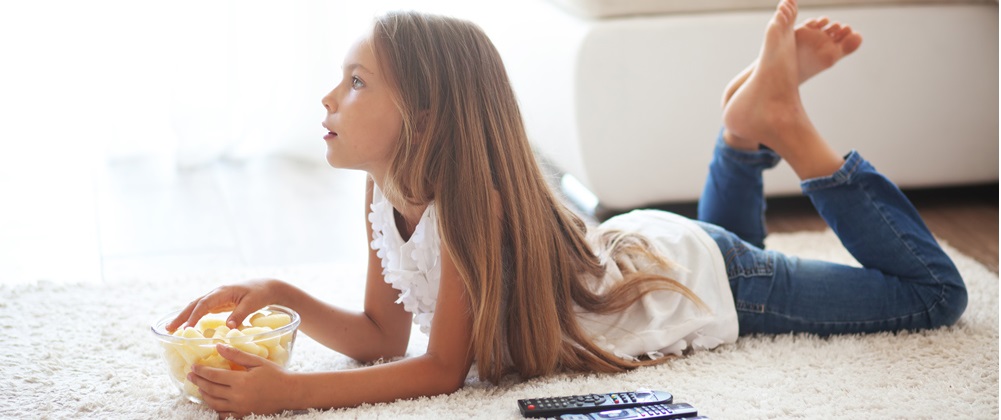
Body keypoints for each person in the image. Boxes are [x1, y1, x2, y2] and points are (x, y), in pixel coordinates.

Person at [166, 0, 968, 416]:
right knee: (723, 239)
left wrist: (293, 396)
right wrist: (281, 297)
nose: (329, 96)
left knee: (931, 297)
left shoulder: (469, 205)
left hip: (705, 279)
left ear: (427, 117)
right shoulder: (385, 188)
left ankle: (788, 132)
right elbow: (383, 338)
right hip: (652, 253)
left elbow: (441, 372)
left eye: (357, 81)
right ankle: (738, 132)